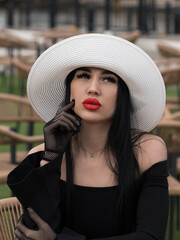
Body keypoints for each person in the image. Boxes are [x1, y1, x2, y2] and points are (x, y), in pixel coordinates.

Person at [7, 33, 169, 240]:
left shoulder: (147, 150)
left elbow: (150, 236)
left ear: (123, 95)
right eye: (83, 75)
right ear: (70, 87)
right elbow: (32, 231)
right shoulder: (43, 156)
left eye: (108, 79)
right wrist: (52, 157)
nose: (93, 89)